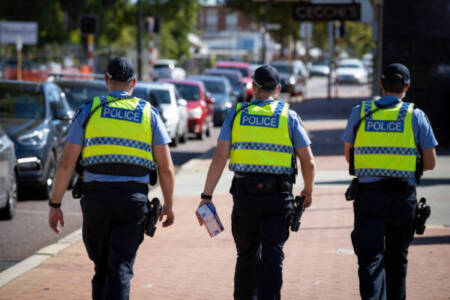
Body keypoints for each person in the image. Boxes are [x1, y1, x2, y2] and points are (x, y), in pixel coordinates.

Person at [48, 57, 175, 300]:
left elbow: (66, 162)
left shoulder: (89, 109)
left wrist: (55, 205)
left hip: (96, 200)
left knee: (102, 267)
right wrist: (169, 205)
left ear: (106, 80)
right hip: (133, 200)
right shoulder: (149, 113)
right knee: (120, 269)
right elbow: (166, 167)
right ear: (133, 83)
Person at [196, 65, 316, 300]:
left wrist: (206, 196)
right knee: (273, 256)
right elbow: (308, 162)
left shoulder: (237, 114)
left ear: (252, 87)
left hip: (245, 197)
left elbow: (220, 157)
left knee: (246, 256)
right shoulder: (288, 116)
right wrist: (308, 190)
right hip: (278, 198)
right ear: (279, 89)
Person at [342, 63, 438, 300]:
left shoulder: (360, 112)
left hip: (369, 196)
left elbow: (349, 156)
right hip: (401, 198)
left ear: (381, 84)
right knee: (397, 262)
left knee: (370, 261)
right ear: (407, 86)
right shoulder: (416, 115)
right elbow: (431, 163)